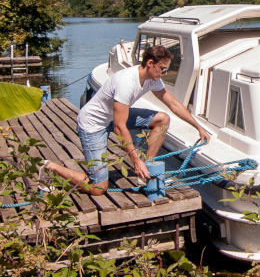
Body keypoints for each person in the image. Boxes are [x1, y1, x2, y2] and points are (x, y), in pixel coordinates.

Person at [41, 46, 210, 195]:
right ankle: (51, 167)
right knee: (98, 188)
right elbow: (120, 126)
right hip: (93, 124)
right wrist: (135, 161)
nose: (164, 74)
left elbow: (173, 104)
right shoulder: (126, 82)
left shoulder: (153, 79)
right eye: (163, 69)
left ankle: (146, 167)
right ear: (150, 63)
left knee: (162, 119)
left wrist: (198, 127)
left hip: (113, 117)